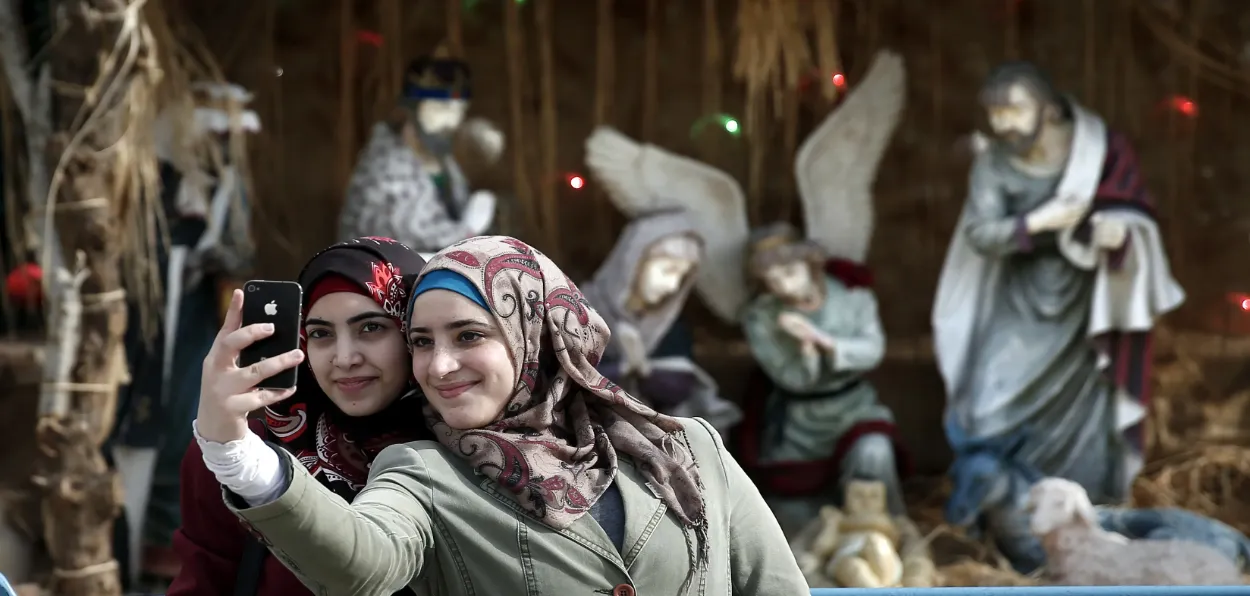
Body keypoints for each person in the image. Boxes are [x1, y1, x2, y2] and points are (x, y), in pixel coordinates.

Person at [193, 236, 808, 595]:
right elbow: (362, 561)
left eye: (468, 336)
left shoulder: (690, 449)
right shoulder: (418, 471)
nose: (438, 366)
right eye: (422, 342)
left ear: (536, 334)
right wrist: (238, 454)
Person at [932, 60, 1183, 506]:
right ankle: (998, 510)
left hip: (1086, 307)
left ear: (1047, 109)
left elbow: (1136, 211)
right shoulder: (993, 165)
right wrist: (1036, 221)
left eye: (1012, 111)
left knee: (1086, 420)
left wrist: (1119, 231)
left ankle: (1082, 515)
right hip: (1020, 297)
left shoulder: (1100, 150)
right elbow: (980, 233)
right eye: (994, 114)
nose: (1002, 124)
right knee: (987, 405)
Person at [168, 237, 429, 595]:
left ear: (413, 333)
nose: (344, 357)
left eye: (371, 327)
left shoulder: (470, 457)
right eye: (321, 333)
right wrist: (235, 460)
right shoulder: (235, 457)